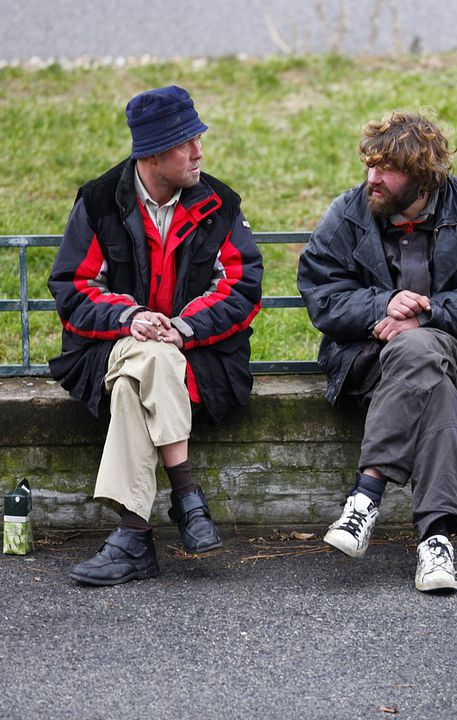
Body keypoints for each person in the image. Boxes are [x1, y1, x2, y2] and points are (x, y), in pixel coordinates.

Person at [48, 85, 263, 586]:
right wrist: (131, 319)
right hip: (108, 348)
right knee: (146, 356)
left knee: (137, 380)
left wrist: (181, 328)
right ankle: (186, 497)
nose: (199, 152)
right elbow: (74, 287)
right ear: (152, 152)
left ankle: (133, 537)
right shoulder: (100, 202)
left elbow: (242, 286)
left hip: (203, 360)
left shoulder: (219, 203)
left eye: (197, 139)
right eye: (186, 141)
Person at [297, 111, 457, 593]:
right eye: (369, 166)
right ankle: (436, 541)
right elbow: (321, 294)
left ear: (420, 175)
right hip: (367, 358)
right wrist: (381, 304)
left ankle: (365, 496)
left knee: (422, 350)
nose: (371, 178)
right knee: (429, 382)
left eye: (385, 170)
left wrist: (426, 313)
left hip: (456, 350)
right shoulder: (349, 212)